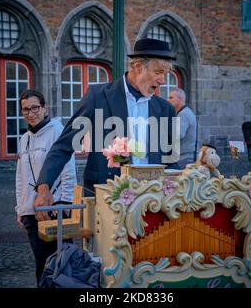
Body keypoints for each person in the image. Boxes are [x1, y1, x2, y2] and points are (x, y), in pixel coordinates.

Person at [34, 38, 180, 221]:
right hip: (106, 199)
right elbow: (64, 145)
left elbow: (171, 161)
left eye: (165, 74)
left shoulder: (165, 108)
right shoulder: (97, 96)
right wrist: (44, 186)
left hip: (153, 203)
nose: (163, 80)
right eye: (158, 72)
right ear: (137, 66)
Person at [15, 89, 76, 286]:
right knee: (41, 263)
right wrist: (20, 208)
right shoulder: (24, 138)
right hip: (31, 211)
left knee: (59, 264)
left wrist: (65, 206)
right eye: (25, 110)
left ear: (44, 108)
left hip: (54, 209)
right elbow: (20, 177)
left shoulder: (58, 131)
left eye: (35, 108)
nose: (31, 113)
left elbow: (68, 171)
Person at [168, 88, 197, 169]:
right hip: (186, 157)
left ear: (180, 99)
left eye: (171, 98)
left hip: (184, 158)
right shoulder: (185, 112)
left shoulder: (183, 114)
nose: (168, 100)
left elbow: (178, 134)